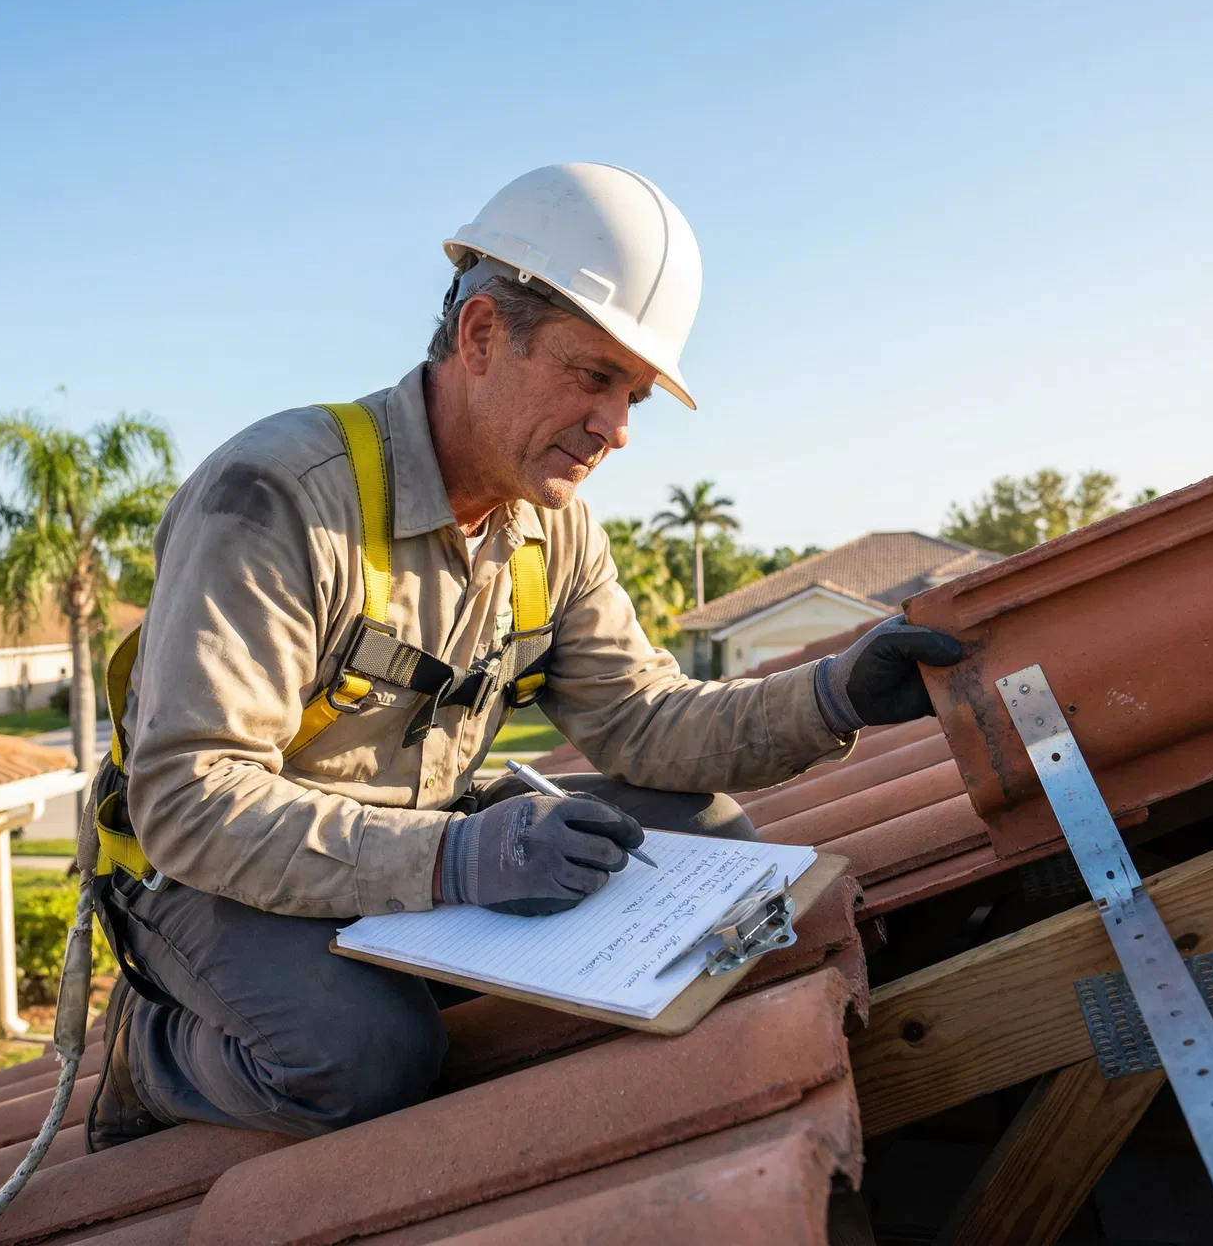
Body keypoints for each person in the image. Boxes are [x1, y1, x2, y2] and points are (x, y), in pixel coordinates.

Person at [85, 163, 963, 1146]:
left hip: (412, 838)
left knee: (712, 839)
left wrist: (835, 694)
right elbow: (192, 800)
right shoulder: (281, 496)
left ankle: (426, 947)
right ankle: (151, 1056)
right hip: (215, 875)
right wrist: (462, 856)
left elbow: (644, 723)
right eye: (594, 378)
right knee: (366, 1058)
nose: (618, 429)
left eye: (632, 394)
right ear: (481, 335)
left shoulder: (551, 530)